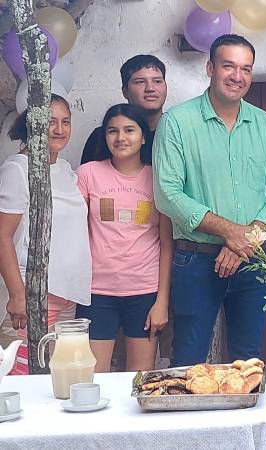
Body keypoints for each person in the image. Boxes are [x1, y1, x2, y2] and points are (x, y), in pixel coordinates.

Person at [153, 34, 266, 367]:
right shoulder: (177, 123)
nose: (237, 76)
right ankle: (189, 422)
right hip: (196, 260)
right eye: (228, 66)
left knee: (249, 361)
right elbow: (168, 194)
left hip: (253, 259)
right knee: (188, 359)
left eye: (246, 68)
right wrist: (229, 231)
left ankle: (245, 420)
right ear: (210, 68)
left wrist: (244, 238)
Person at [75, 104, 173, 372]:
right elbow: (75, 232)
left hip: (144, 291)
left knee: (139, 381)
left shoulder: (159, 178)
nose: (121, 138)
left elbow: (167, 244)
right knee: (93, 379)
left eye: (129, 130)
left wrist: (162, 301)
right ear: (104, 137)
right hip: (96, 292)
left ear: (143, 137)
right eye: (113, 131)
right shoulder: (87, 174)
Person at [0, 95, 91, 374]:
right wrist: (18, 296)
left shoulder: (64, 169)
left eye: (66, 122)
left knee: (60, 378)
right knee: (27, 379)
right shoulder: (17, 169)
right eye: (50, 122)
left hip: (68, 295)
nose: (59, 129)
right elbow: (3, 236)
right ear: (32, 125)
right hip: (34, 293)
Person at [81, 55, 168, 164]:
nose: (150, 88)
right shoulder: (102, 137)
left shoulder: (178, 134)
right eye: (140, 82)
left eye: (157, 81)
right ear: (125, 91)